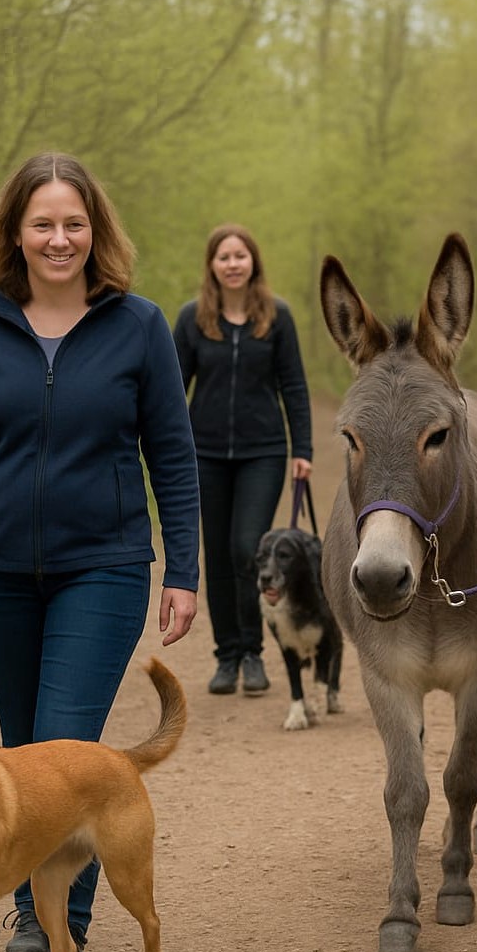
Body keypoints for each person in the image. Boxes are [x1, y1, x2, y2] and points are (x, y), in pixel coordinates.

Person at [0, 152, 200, 952]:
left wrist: (183, 568)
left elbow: (172, 457)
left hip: (102, 567)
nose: (60, 238)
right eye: (44, 223)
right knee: (23, 743)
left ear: (96, 232)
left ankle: (60, 932)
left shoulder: (138, 326)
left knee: (67, 744)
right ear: (16, 233)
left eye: (75, 223)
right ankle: (40, 911)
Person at [173, 224, 313, 696]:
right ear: (212, 265)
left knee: (246, 547)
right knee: (216, 552)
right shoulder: (193, 319)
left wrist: (304, 451)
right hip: (204, 454)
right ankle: (226, 655)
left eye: (240, 256)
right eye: (223, 257)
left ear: (253, 262)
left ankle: (253, 652)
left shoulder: (277, 317)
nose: (232, 264)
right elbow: (170, 392)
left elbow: (293, 385)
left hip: (263, 453)